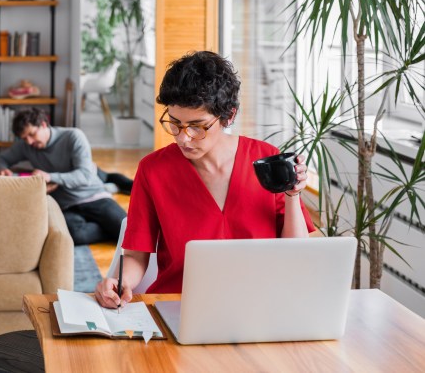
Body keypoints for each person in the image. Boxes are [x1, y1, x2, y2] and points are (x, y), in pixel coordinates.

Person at [95, 51, 315, 309]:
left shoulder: (267, 160)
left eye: (197, 126)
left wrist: (293, 195)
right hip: (179, 307)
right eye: (174, 123)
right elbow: (136, 255)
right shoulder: (153, 170)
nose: (182, 138)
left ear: (229, 116)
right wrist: (119, 282)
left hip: (259, 306)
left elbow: (297, 254)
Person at [0, 108, 127, 245]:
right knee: (75, 236)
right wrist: (2, 169)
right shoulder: (26, 146)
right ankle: (110, 230)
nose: (29, 142)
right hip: (66, 205)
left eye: (32, 134)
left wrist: (50, 177)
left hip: (93, 196)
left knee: (128, 232)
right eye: (24, 138)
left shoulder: (73, 136)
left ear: (44, 124)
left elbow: (85, 176)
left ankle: (113, 225)